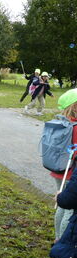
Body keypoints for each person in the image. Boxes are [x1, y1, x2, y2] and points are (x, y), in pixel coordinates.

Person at [51, 89, 77, 242]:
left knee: (61, 204)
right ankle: (63, 242)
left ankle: (57, 239)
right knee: (70, 208)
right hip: (71, 173)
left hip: (58, 171)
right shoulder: (75, 127)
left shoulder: (62, 122)